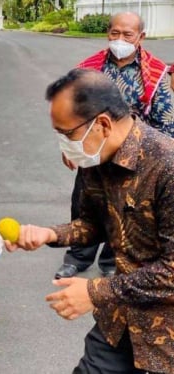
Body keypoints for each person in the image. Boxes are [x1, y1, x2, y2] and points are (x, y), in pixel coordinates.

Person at [7, 68, 174, 374]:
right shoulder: (95, 157)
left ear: (103, 124)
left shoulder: (166, 166)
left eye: (67, 134)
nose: (64, 145)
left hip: (164, 342)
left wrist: (94, 292)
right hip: (116, 325)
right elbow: (94, 224)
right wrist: (49, 234)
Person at [54, 11, 174, 280]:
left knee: (122, 212)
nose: (119, 39)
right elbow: (71, 112)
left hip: (133, 161)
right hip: (92, 153)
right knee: (83, 205)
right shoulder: (88, 69)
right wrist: (68, 146)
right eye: (114, 33)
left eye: (127, 34)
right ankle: (77, 257)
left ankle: (111, 259)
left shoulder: (154, 76)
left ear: (140, 37)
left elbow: (166, 123)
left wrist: (156, 161)